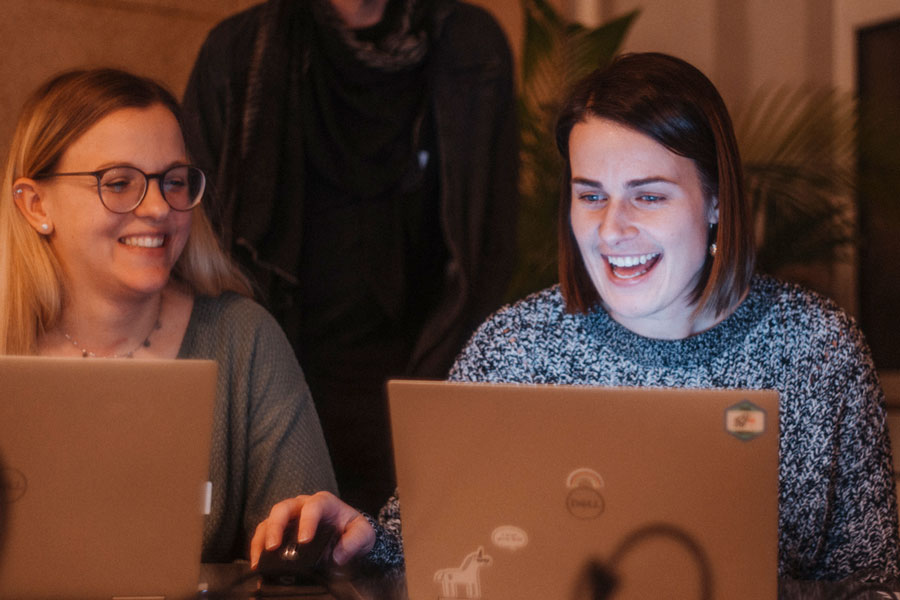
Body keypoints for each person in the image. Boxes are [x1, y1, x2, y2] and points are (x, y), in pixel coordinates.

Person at [248, 52, 900, 583]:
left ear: (716, 203)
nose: (613, 229)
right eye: (591, 195)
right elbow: (423, 544)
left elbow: (870, 571)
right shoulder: (513, 346)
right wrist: (354, 534)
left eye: (648, 195)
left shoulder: (817, 345)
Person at [180, 0, 518, 515]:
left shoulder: (470, 45)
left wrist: (455, 386)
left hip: (428, 377)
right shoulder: (240, 51)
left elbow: (489, 238)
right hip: (280, 379)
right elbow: (198, 231)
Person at [0, 68, 338, 562]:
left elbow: (303, 557)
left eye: (173, 181)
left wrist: (318, 541)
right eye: (119, 182)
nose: (159, 207)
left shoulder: (243, 340)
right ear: (35, 204)